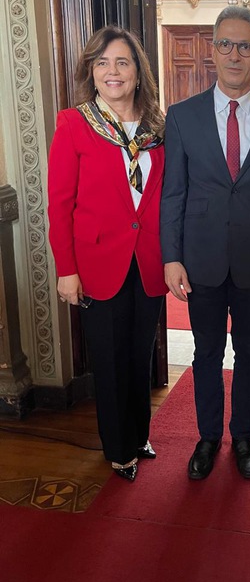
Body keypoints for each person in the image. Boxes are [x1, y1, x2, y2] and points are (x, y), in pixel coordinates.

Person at [161, 6, 250, 481]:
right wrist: (171, 257)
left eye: (244, 46)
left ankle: (243, 436)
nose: (234, 54)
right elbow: (173, 192)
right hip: (199, 259)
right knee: (204, 354)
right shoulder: (181, 118)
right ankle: (206, 437)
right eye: (225, 44)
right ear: (212, 50)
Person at [47, 26, 167, 482]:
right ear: (91, 73)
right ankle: (118, 448)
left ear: (138, 72)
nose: (112, 72)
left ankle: (139, 435)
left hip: (148, 260)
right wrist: (66, 270)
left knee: (141, 354)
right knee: (110, 358)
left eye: (122, 62)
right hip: (97, 263)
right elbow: (59, 205)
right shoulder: (74, 124)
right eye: (102, 63)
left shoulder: (159, 127)